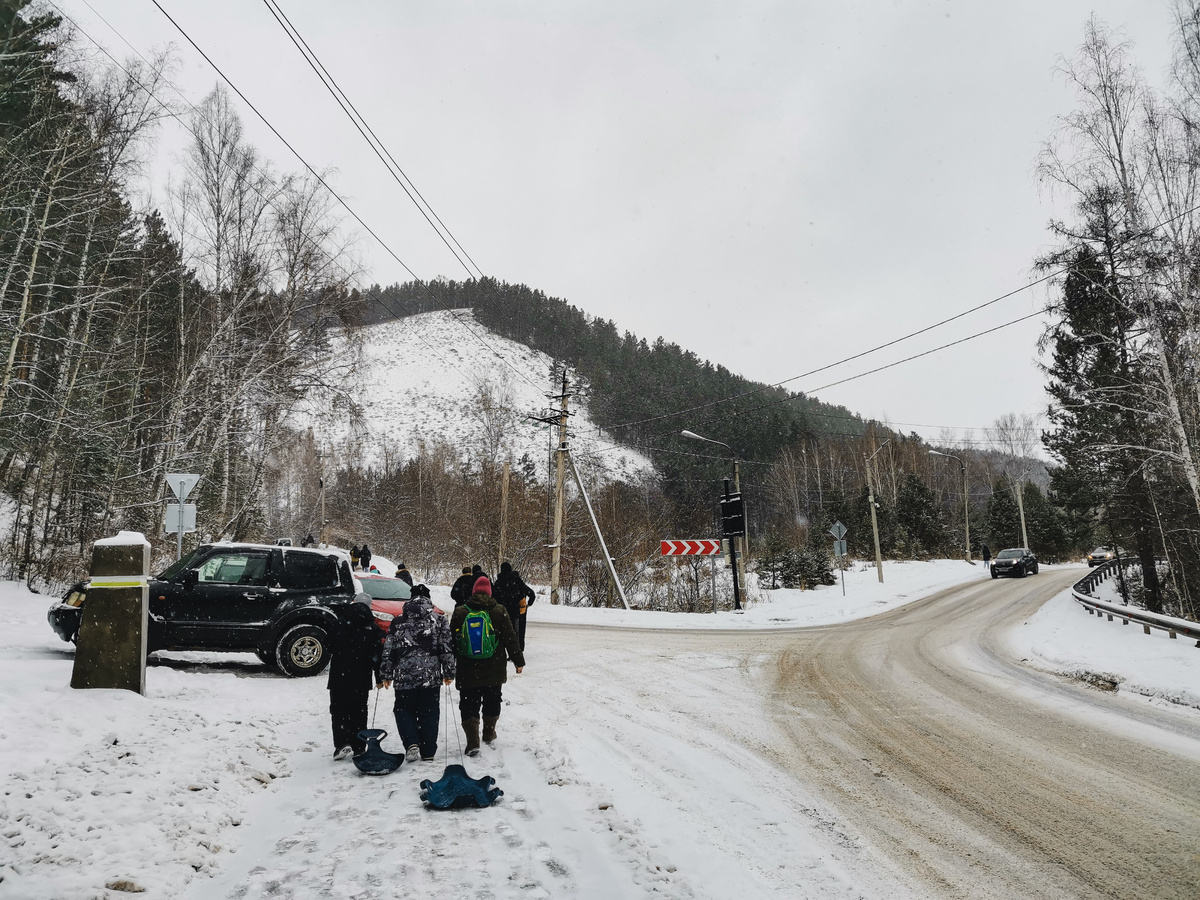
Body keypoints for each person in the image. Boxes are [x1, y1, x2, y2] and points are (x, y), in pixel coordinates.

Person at [451, 576, 524, 756]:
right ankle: (489, 732)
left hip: (467, 669)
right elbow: (511, 638)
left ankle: (472, 741)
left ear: (473, 592)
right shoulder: (499, 611)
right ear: (490, 592)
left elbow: (451, 642)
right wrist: (518, 661)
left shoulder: (460, 612)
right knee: (492, 700)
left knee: (469, 703)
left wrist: (448, 666)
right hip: (494, 668)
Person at [379, 589, 455, 762]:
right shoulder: (439, 620)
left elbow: (389, 650)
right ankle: (428, 751)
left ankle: (411, 742)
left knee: (404, 709)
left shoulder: (398, 622)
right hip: (430, 677)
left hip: (404, 677)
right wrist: (449, 671)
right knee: (430, 712)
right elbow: (446, 648)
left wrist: (386, 673)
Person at [327, 600, 382, 760]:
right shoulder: (372, 628)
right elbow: (376, 655)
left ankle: (342, 743)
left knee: (339, 710)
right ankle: (359, 746)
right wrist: (379, 677)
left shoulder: (339, 624)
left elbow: (328, 645)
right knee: (359, 711)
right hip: (361, 677)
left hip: (339, 676)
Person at [492, 561, 536, 651]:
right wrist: (525, 602)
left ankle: (502, 651)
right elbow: (529, 593)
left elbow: (494, 596)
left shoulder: (498, 582)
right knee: (515, 632)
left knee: (502, 632)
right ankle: (516, 651)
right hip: (514, 611)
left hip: (502, 611)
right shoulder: (517, 580)